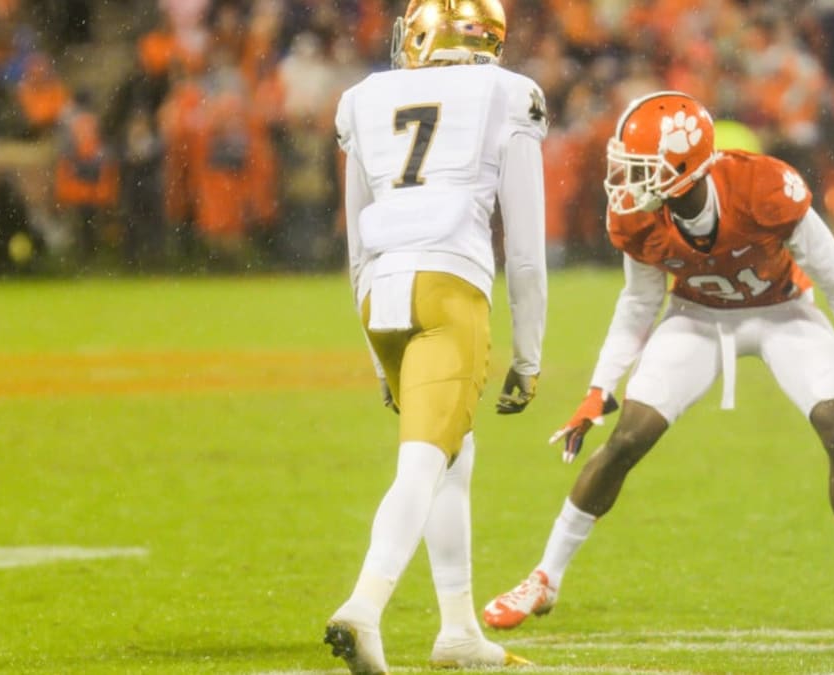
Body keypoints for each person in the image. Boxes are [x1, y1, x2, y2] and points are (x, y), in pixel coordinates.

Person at [483, 91, 834, 631]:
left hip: (782, 309)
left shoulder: (762, 188)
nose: (624, 182)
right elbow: (639, 302)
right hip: (697, 315)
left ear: (683, 168)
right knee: (628, 437)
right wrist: (600, 387)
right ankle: (545, 578)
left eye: (640, 168)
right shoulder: (637, 217)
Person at [324, 1, 549, 672]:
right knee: (423, 463)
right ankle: (364, 605)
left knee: (453, 455)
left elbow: (356, 240)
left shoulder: (363, 98)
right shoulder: (508, 94)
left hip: (381, 294)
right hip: (449, 287)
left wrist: (375, 356)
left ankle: (458, 629)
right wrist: (529, 355)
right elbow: (529, 251)